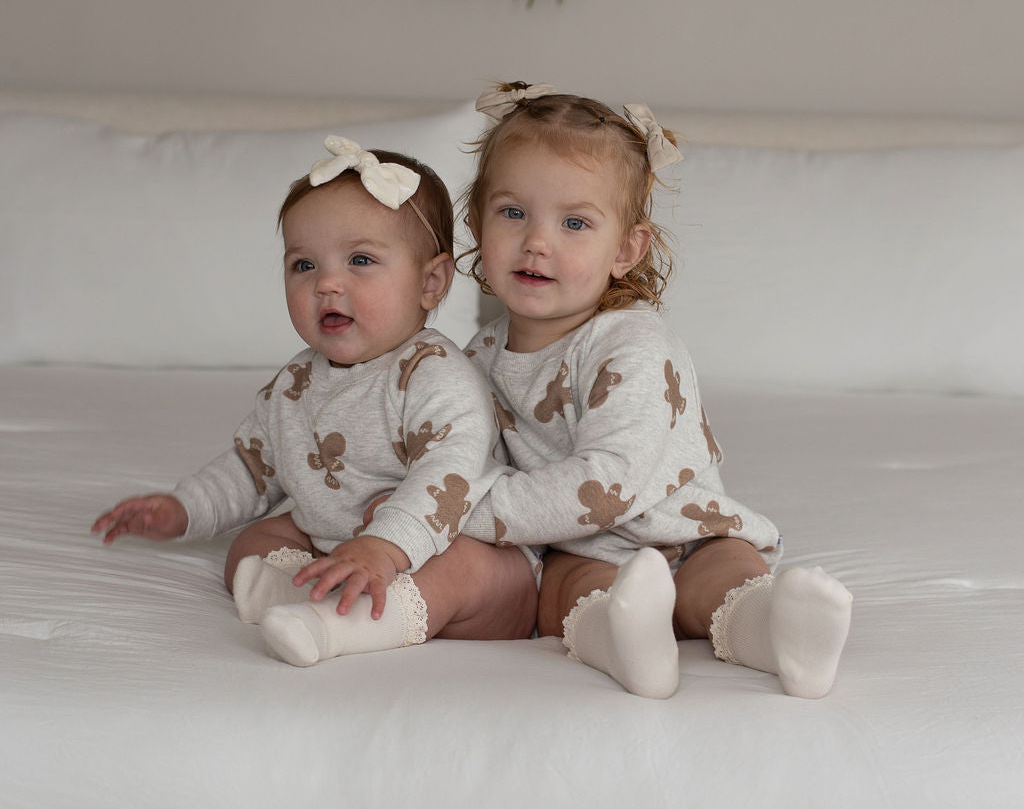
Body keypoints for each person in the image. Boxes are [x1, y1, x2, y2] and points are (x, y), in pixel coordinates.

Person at [459, 82, 852, 700]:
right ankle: (626, 641)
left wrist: (466, 509)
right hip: (579, 548)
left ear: (626, 248)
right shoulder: (477, 359)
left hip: (686, 531)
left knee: (726, 579)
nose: (538, 240)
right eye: (513, 212)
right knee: (562, 591)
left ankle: (779, 633)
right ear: (476, 221)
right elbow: (458, 451)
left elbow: (609, 482)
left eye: (574, 222)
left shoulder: (632, 344)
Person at [92, 136, 538, 667]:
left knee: (470, 567)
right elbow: (253, 467)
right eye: (304, 265)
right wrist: (184, 508)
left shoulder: (436, 374)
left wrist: (385, 548)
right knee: (253, 543)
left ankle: (342, 626)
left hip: (441, 551)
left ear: (431, 281)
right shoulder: (297, 382)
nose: (327, 283)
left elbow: (449, 476)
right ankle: (297, 595)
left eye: (360, 260)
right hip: (340, 547)